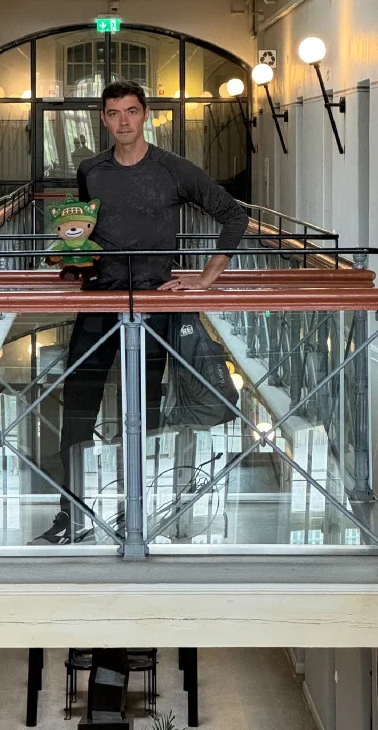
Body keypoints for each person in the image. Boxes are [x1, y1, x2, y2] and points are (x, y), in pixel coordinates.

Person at [36, 80, 249, 543]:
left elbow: (233, 215)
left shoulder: (174, 169)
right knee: (77, 408)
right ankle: (70, 518)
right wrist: (74, 262)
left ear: (146, 114)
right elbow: (84, 232)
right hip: (99, 302)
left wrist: (208, 275)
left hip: (154, 308)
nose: (124, 121)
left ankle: (141, 514)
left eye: (132, 111)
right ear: (103, 119)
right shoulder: (90, 169)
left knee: (146, 412)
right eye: (114, 113)